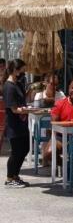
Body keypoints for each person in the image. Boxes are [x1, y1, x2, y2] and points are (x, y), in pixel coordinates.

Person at [43, 79, 73, 164]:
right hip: (61, 137)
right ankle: (68, 165)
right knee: (48, 153)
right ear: (69, 88)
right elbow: (53, 124)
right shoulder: (60, 104)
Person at [3, 59, 30, 188]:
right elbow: (13, 109)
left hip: (22, 124)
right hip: (14, 125)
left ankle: (15, 175)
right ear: (15, 70)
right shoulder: (9, 87)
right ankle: (9, 178)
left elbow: (23, 100)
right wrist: (26, 110)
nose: (23, 73)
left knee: (25, 148)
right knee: (16, 151)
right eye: (22, 70)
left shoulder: (18, 84)